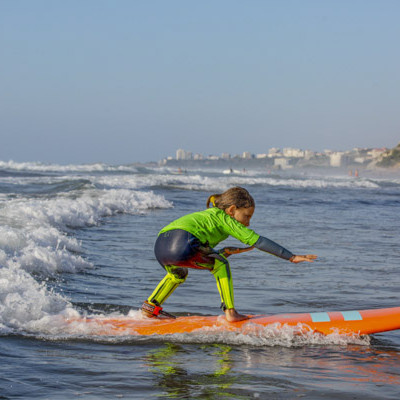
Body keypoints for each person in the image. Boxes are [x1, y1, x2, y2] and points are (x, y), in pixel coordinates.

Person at [142, 187, 317, 322]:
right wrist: (291, 257)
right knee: (221, 264)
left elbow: (202, 249)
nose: (247, 223)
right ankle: (230, 312)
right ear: (232, 210)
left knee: (178, 274)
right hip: (184, 243)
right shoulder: (224, 218)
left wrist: (228, 251)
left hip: (161, 246)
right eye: (246, 216)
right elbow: (259, 241)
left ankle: (149, 307)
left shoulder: (207, 216)